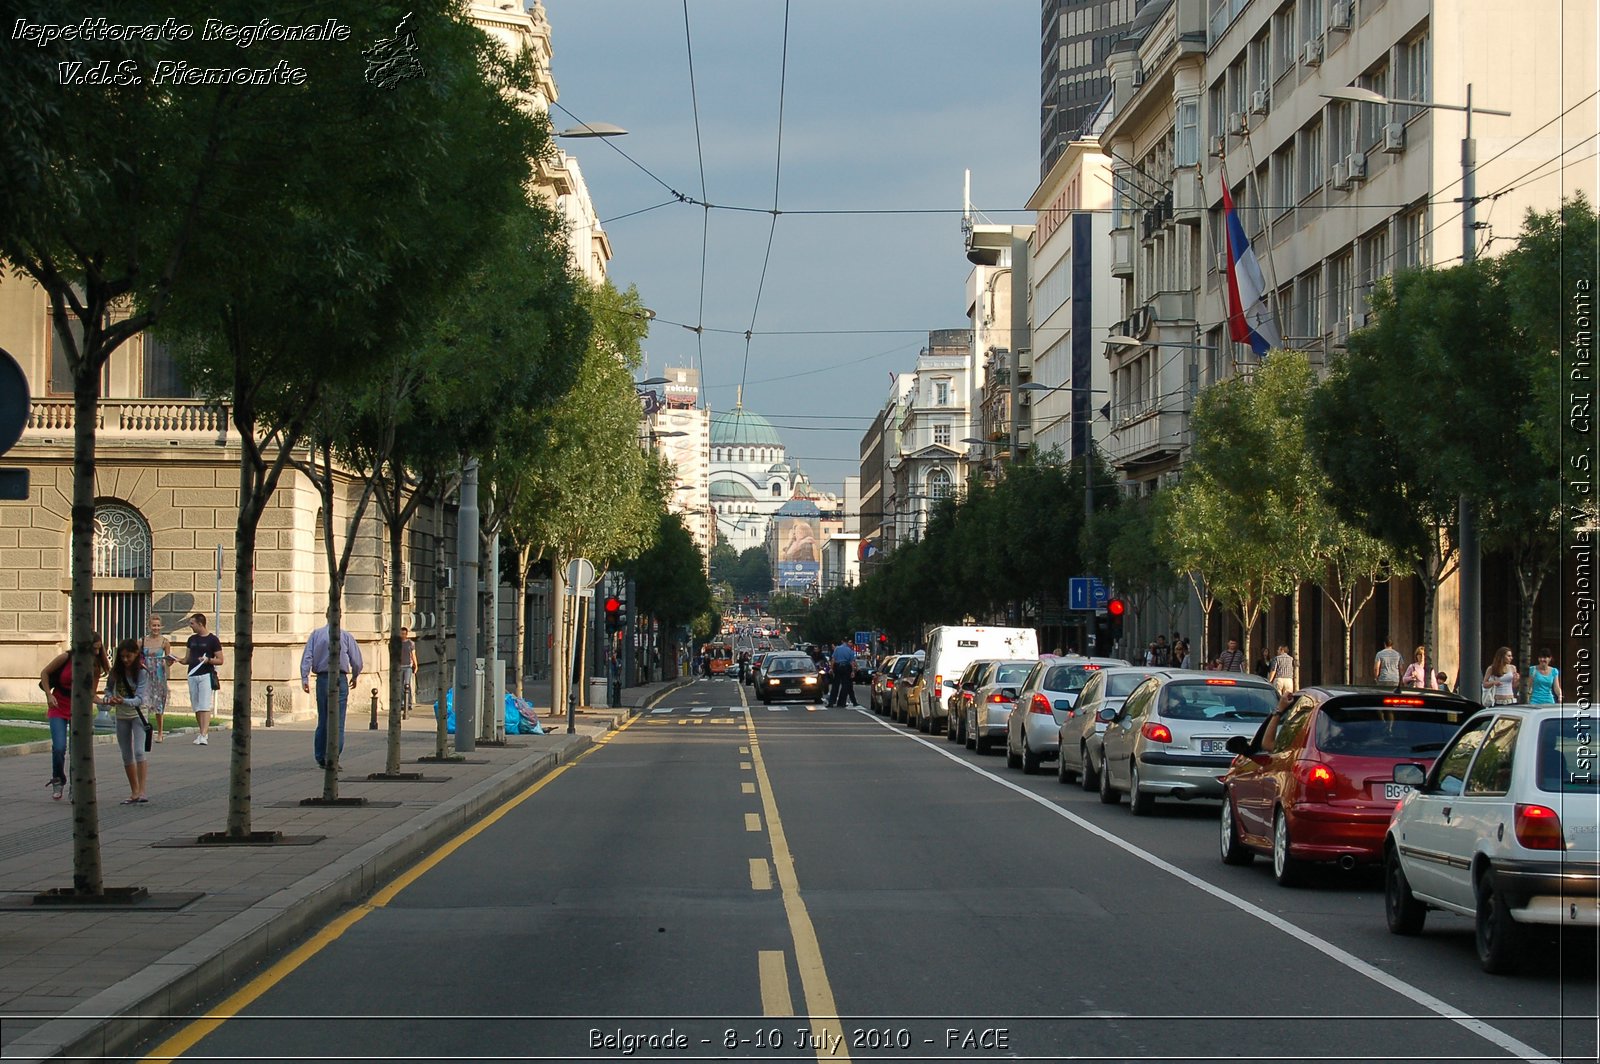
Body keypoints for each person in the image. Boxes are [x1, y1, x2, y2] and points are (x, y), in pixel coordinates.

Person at [39, 634, 109, 800]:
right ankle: (58, 780)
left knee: (76, 751)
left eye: (99, 648)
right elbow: (45, 673)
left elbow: (91, 694)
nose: (97, 652)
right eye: (94, 648)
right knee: (59, 747)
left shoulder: (95, 666)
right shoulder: (67, 657)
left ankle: (75, 787)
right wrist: (49, 695)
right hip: (58, 706)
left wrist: (106, 701)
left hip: (80, 711)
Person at [300, 614, 364, 768]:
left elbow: (307, 656)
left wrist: (305, 677)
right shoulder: (345, 636)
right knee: (338, 720)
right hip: (340, 678)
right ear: (339, 616)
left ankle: (321, 756)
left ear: (327, 616)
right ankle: (333, 756)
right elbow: (357, 661)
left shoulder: (316, 634)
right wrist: (355, 675)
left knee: (323, 719)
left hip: (322, 678)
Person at [105, 638, 154, 804]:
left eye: (129, 656)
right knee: (126, 754)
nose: (125, 660)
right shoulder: (115, 672)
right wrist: (109, 699)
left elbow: (140, 699)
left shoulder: (142, 672)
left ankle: (142, 791)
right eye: (123, 656)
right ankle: (133, 791)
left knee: (139, 752)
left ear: (136, 655)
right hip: (121, 716)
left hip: (138, 714)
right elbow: (107, 691)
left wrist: (122, 700)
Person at [183, 613, 224, 745]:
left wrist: (208, 660)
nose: (191, 626)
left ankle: (204, 735)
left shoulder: (213, 640)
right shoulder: (191, 639)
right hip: (192, 674)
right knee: (196, 706)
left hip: (206, 674)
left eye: (192, 623)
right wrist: (176, 660)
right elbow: (187, 659)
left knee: (204, 704)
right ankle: (201, 732)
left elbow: (220, 660)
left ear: (200, 624)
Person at [141, 614, 176, 742]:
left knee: (158, 703)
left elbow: (167, 659)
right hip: (145, 673)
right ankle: (143, 730)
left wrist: (170, 661)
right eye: (153, 625)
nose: (155, 628)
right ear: (149, 626)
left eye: (157, 625)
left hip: (159, 674)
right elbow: (138, 656)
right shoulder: (142, 640)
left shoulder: (164, 642)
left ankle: (160, 732)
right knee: (144, 701)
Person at [828, 638, 858, 707]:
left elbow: (833, 659)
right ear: (847, 643)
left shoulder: (837, 649)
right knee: (845, 685)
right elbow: (852, 662)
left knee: (835, 685)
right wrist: (853, 671)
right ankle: (841, 703)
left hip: (838, 667)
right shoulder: (850, 651)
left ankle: (831, 702)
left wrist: (831, 668)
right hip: (846, 668)